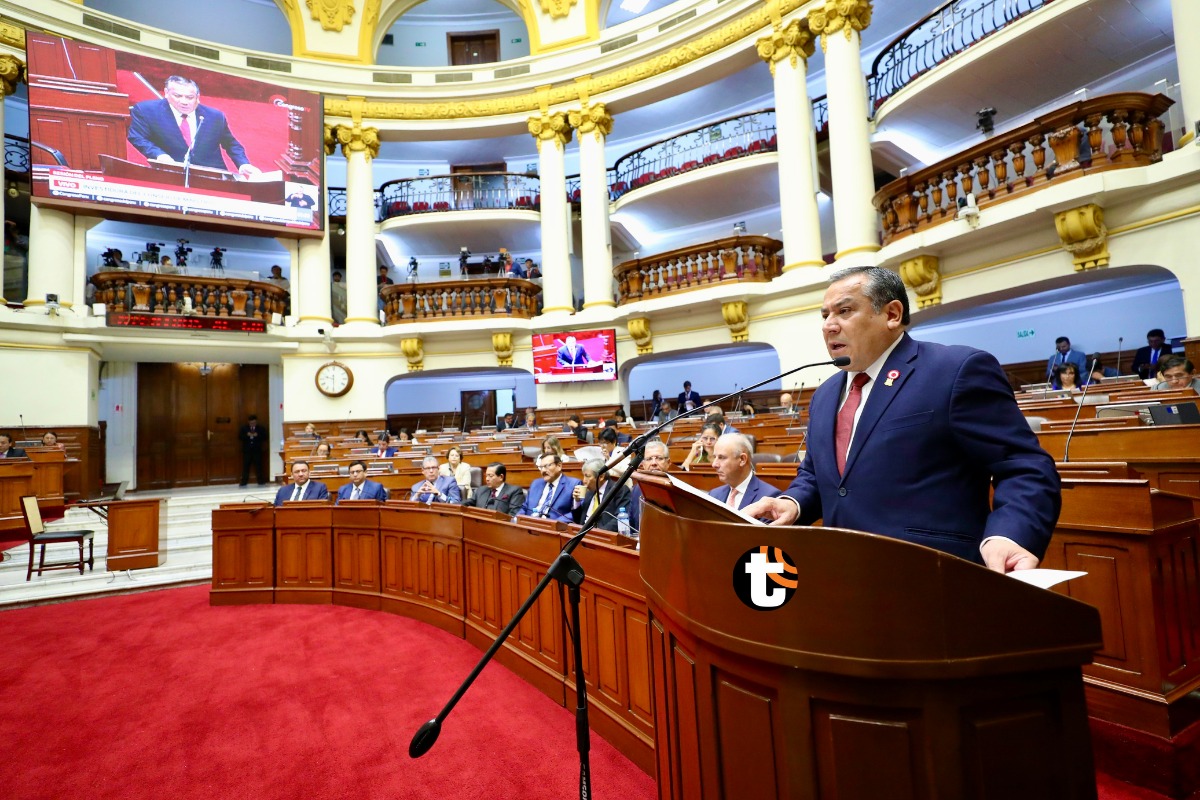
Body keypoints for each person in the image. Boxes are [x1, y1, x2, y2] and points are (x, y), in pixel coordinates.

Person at [742, 266, 1061, 573]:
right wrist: (793, 503)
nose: (829, 325)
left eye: (844, 311)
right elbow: (816, 474)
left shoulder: (954, 370)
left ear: (892, 314)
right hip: (844, 574)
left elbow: (1023, 466)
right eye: (825, 315)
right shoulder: (825, 395)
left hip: (934, 574)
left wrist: (1011, 534)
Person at [127, 75, 260, 176]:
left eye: (189, 97)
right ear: (166, 93)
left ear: (198, 97)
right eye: (177, 96)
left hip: (211, 175)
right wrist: (159, 155)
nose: (184, 102)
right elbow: (137, 137)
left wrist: (243, 164)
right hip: (170, 173)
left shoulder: (215, 116)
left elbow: (231, 144)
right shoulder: (146, 110)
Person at [708, 433, 777, 510]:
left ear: (742, 459)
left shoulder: (769, 498)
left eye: (721, 457)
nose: (714, 464)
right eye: (715, 457)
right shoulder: (713, 495)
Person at [572, 458, 632, 532]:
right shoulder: (589, 493)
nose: (584, 480)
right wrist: (577, 501)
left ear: (601, 477)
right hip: (583, 536)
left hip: (604, 537)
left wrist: (596, 534)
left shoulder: (619, 490)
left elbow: (619, 519)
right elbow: (578, 521)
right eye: (584, 476)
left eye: (587, 476)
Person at [518, 453, 581, 521]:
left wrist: (555, 524)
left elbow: (576, 513)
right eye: (541, 467)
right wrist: (516, 519)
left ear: (559, 466)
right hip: (530, 524)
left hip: (553, 527)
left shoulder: (573, 484)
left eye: (547, 466)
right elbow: (524, 508)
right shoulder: (536, 484)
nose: (543, 470)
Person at [628, 438, 670, 532]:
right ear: (643, 464)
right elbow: (631, 525)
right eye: (649, 459)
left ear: (668, 463)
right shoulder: (636, 490)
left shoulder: (677, 489)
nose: (654, 463)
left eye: (659, 458)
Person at [238, 414, 266, 486]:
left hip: (257, 450)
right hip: (247, 450)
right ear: (248, 422)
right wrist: (247, 435)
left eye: (254, 423)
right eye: (251, 423)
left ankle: (261, 481)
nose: (252, 424)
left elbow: (265, 437)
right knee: (246, 466)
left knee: (258, 466)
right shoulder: (244, 428)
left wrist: (258, 435)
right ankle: (244, 481)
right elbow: (240, 437)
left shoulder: (260, 428)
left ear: (256, 422)